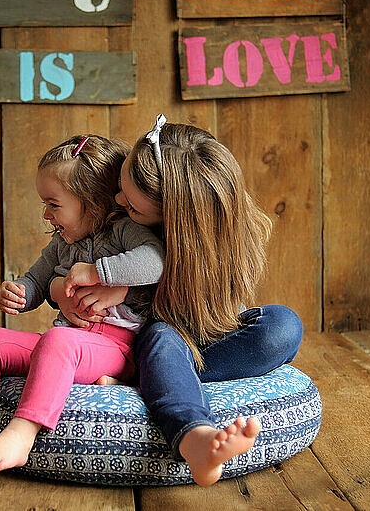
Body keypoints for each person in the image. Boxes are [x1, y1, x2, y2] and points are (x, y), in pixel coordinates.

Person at [55, 116, 303, 486]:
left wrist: (127, 287)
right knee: (162, 338)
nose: (118, 202)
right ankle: (194, 438)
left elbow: (209, 308)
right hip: (157, 338)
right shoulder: (122, 228)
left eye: (134, 206)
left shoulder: (225, 244)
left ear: (177, 221)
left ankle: (148, 381)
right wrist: (82, 288)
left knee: (283, 326)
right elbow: (61, 273)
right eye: (121, 187)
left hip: (205, 338)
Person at [0, 134, 168, 472]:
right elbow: (37, 280)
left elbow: (155, 261)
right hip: (68, 346)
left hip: (117, 349)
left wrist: (99, 272)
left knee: (58, 340)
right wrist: (19, 291)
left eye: (54, 204)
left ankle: (21, 434)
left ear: (95, 201)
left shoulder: (124, 231)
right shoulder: (62, 244)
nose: (46, 214)